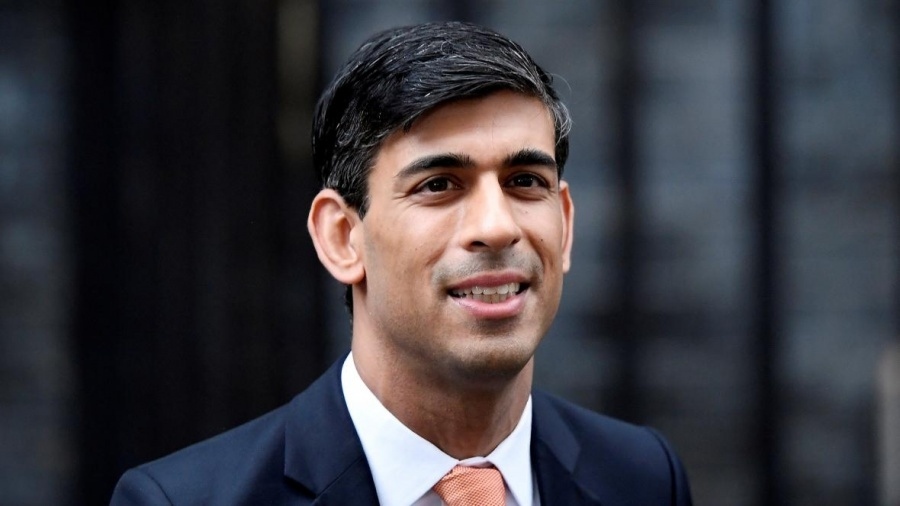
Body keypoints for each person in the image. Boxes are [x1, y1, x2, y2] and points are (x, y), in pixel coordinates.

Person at [110, 21, 693, 505]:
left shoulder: (643, 478)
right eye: (439, 184)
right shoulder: (184, 499)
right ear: (342, 237)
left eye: (524, 181)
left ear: (564, 224)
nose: (497, 226)